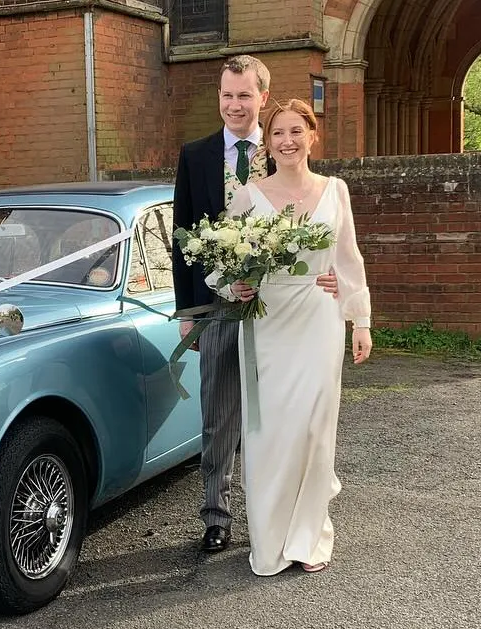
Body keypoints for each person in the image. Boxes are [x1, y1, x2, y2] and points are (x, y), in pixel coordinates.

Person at [170, 55, 337, 554]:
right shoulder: (195, 155)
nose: (234, 104)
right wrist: (187, 313)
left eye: (244, 95)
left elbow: (312, 222)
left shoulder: (282, 147)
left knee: (277, 415)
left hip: (284, 314)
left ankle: (278, 514)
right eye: (227, 95)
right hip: (218, 308)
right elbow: (183, 242)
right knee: (219, 413)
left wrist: (326, 275)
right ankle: (217, 515)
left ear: (263, 98)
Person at [214, 98, 373, 575]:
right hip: (269, 322)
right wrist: (235, 285)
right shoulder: (248, 195)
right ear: (269, 142)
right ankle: (270, 539)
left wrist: (358, 317)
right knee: (272, 432)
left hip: (320, 318)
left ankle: (308, 537)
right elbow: (224, 264)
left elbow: (348, 258)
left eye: (296, 131)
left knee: (315, 427)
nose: (287, 141)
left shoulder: (335, 190)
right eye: (278, 133)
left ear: (312, 136)